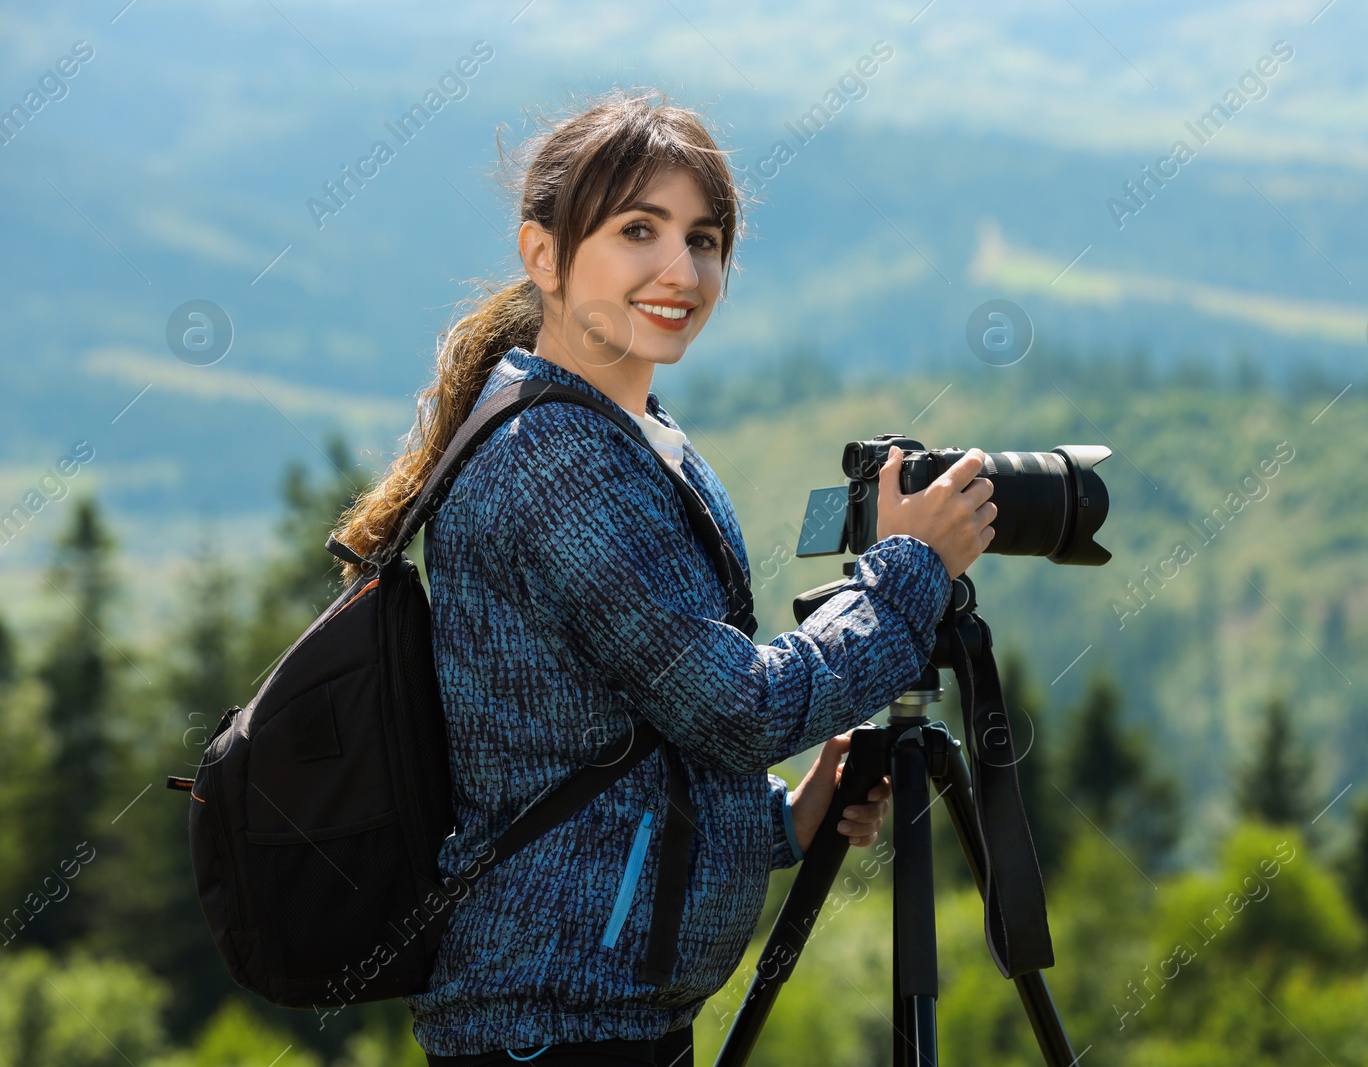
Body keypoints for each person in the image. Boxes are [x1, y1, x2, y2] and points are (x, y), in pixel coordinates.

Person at [329, 89, 996, 1066]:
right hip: (555, 1029)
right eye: (638, 230)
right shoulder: (559, 462)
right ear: (544, 254)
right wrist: (911, 568)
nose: (681, 269)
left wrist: (784, 816)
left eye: (706, 238)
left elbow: (624, 744)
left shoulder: (625, 434)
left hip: (596, 1017)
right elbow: (740, 708)